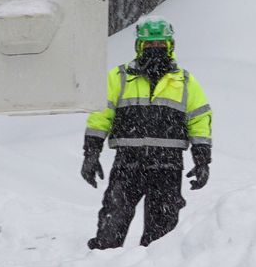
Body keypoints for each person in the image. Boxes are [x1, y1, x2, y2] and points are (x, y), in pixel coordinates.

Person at [81, 17, 212, 249]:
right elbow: (100, 115)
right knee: (113, 221)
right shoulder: (119, 77)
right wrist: (91, 153)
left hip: (168, 165)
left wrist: (202, 160)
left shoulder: (185, 81)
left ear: (170, 46)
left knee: (161, 237)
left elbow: (199, 119)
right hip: (128, 162)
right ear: (139, 46)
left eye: (160, 44)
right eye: (149, 45)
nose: (155, 49)